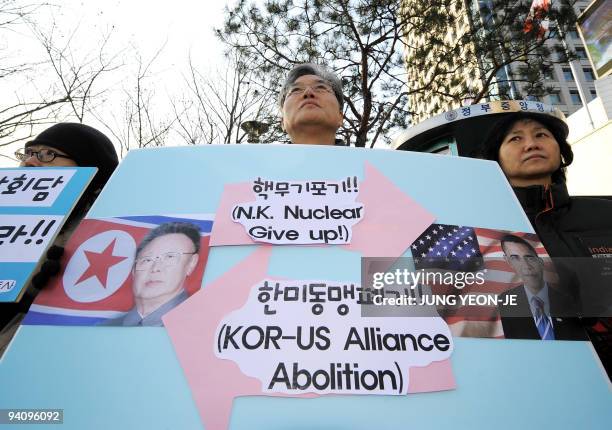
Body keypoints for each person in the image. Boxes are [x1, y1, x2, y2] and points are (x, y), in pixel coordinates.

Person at [482, 111, 612, 372]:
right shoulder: (485, 226)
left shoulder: (606, 213)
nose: (531, 144)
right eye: (515, 139)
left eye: (541, 135)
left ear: (561, 150)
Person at [1, 123, 119, 355]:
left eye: (47, 154)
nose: (30, 161)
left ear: (88, 167)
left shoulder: (108, 228)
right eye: (28, 153)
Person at [102, 222, 201, 327]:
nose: (155, 269)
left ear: (191, 264)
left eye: (170, 257)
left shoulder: (200, 323)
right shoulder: (105, 328)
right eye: (147, 260)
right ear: (133, 271)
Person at [497, 235, 586, 340]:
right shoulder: (505, 302)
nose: (526, 265)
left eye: (529, 257)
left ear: (540, 261)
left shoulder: (567, 300)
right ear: (508, 262)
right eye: (515, 258)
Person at [278, 63, 344, 145]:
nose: (308, 92)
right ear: (283, 121)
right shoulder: (259, 157)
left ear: (340, 116)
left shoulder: (363, 157)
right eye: (296, 89)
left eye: (320, 87)